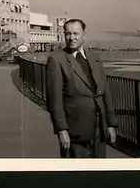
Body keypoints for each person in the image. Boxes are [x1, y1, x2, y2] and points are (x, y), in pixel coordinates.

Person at [45, 19, 118, 158]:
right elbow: (54, 100)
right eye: (68, 34)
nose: (72, 38)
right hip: (74, 132)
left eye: (76, 33)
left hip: (99, 131)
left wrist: (111, 124)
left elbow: (105, 93)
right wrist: (61, 130)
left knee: (98, 174)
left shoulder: (94, 58)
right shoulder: (56, 60)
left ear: (84, 34)